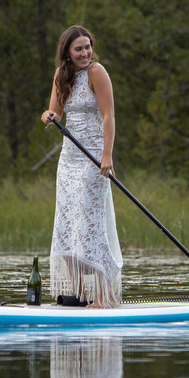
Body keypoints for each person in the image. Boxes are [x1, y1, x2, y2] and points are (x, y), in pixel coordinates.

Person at [41, 25, 123, 308]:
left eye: (88, 47)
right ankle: (76, 294)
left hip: (94, 160)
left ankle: (104, 296)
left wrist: (107, 157)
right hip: (69, 161)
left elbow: (109, 116)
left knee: (89, 226)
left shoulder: (97, 72)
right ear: (67, 52)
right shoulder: (61, 75)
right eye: (79, 49)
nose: (85, 53)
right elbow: (55, 110)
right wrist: (49, 116)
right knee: (67, 225)